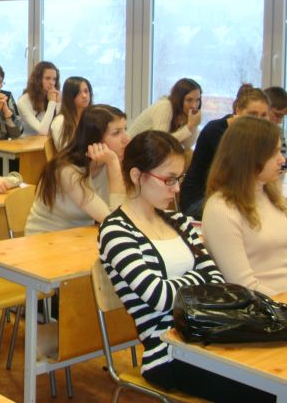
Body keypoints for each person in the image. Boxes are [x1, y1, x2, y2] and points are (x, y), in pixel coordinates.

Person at [99, 130, 273, 402]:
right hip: (167, 353)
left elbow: (216, 280)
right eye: (168, 179)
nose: (177, 189)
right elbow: (158, 297)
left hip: (210, 337)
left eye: (179, 179)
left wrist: (184, 284)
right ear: (136, 175)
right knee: (265, 392)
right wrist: (197, 277)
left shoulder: (178, 221)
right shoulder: (116, 231)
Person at [202, 116, 287, 296]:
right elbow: (244, 285)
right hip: (266, 306)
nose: (282, 159)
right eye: (274, 153)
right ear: (250, 157)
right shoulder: (221, 208)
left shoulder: (273, 198)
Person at [25, 104, 128, 235]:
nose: (126, 139)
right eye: (116, 133)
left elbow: (128, 213)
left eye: (125, 129)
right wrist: (113, 164)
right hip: (45, 238)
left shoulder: (107, 162)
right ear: (95, 139)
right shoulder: (67, 171)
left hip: (82, 236)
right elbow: (115, 222)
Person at [180, 84, 270, 218]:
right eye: (252, 114)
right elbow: (238, 174)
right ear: (238, 110)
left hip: (227, 198)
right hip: (199, 200)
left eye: (263, 115)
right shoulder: (216, 130)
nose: (258, 121)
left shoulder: (256, 135)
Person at [127, 78, 202, 148]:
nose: (194, 105)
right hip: (131, 149)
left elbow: (188, 145)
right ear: (179, 98)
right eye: (189, 100)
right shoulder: (165, 106)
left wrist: (194, 125)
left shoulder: (184, 112)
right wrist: (189, 126)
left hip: (149, 150)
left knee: (187, 153)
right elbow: (161, 143)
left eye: (197, 100)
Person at [17, 61, 61, 137]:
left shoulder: (54, 96)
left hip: (48, 141)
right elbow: (43, 131)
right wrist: (52, 102)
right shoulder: (23, 101)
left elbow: (59, 127)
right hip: (28, 142)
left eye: (54, 79)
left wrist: (58, 103)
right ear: (38, 79)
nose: (52, 83)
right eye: (47, 78)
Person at [50, 76, 92, 151]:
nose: (84, 96)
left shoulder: (92, 116)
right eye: (78, 92)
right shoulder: (60, 121)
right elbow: (65, 151)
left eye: (86, 91)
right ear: (69, 96)